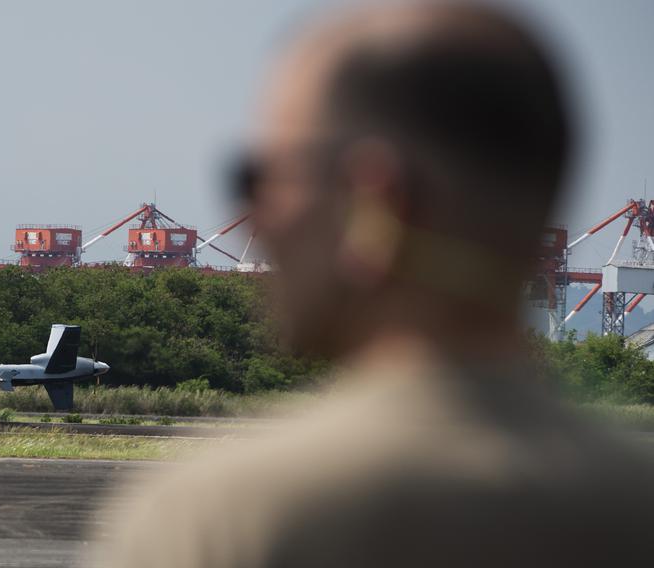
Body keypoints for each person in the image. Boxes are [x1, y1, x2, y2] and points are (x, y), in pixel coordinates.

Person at [95, 2, 654, 566]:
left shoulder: (219, 519)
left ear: (378, 203)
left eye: (262, 178)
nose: (252, 216)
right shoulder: (634, 504)